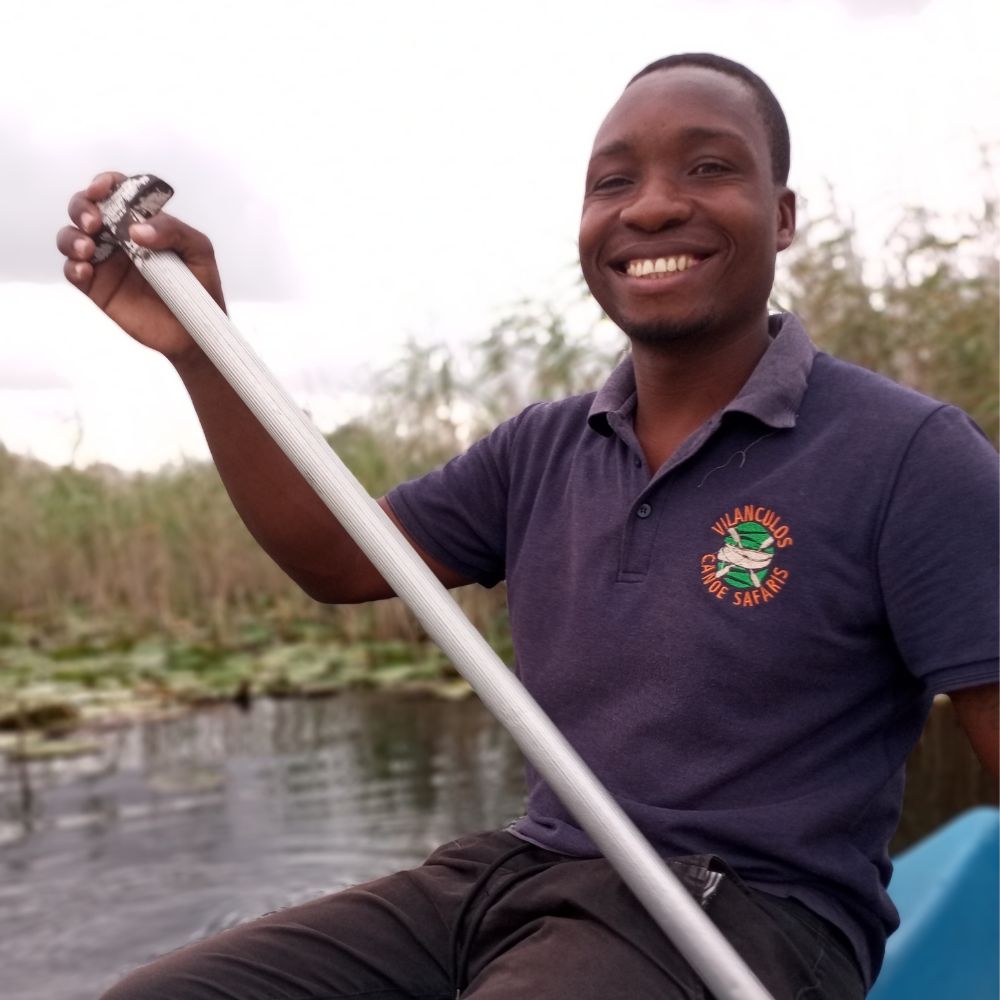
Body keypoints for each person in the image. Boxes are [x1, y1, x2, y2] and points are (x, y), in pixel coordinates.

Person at [58, 53, 997, 1000]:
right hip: (524, 870)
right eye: (612, 182)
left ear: (784, 216)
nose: (654, 207)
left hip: (750, 913)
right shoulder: (541, 448)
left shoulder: (910, 455)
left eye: (709, 168)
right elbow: (338, 558)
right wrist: (202, 348)